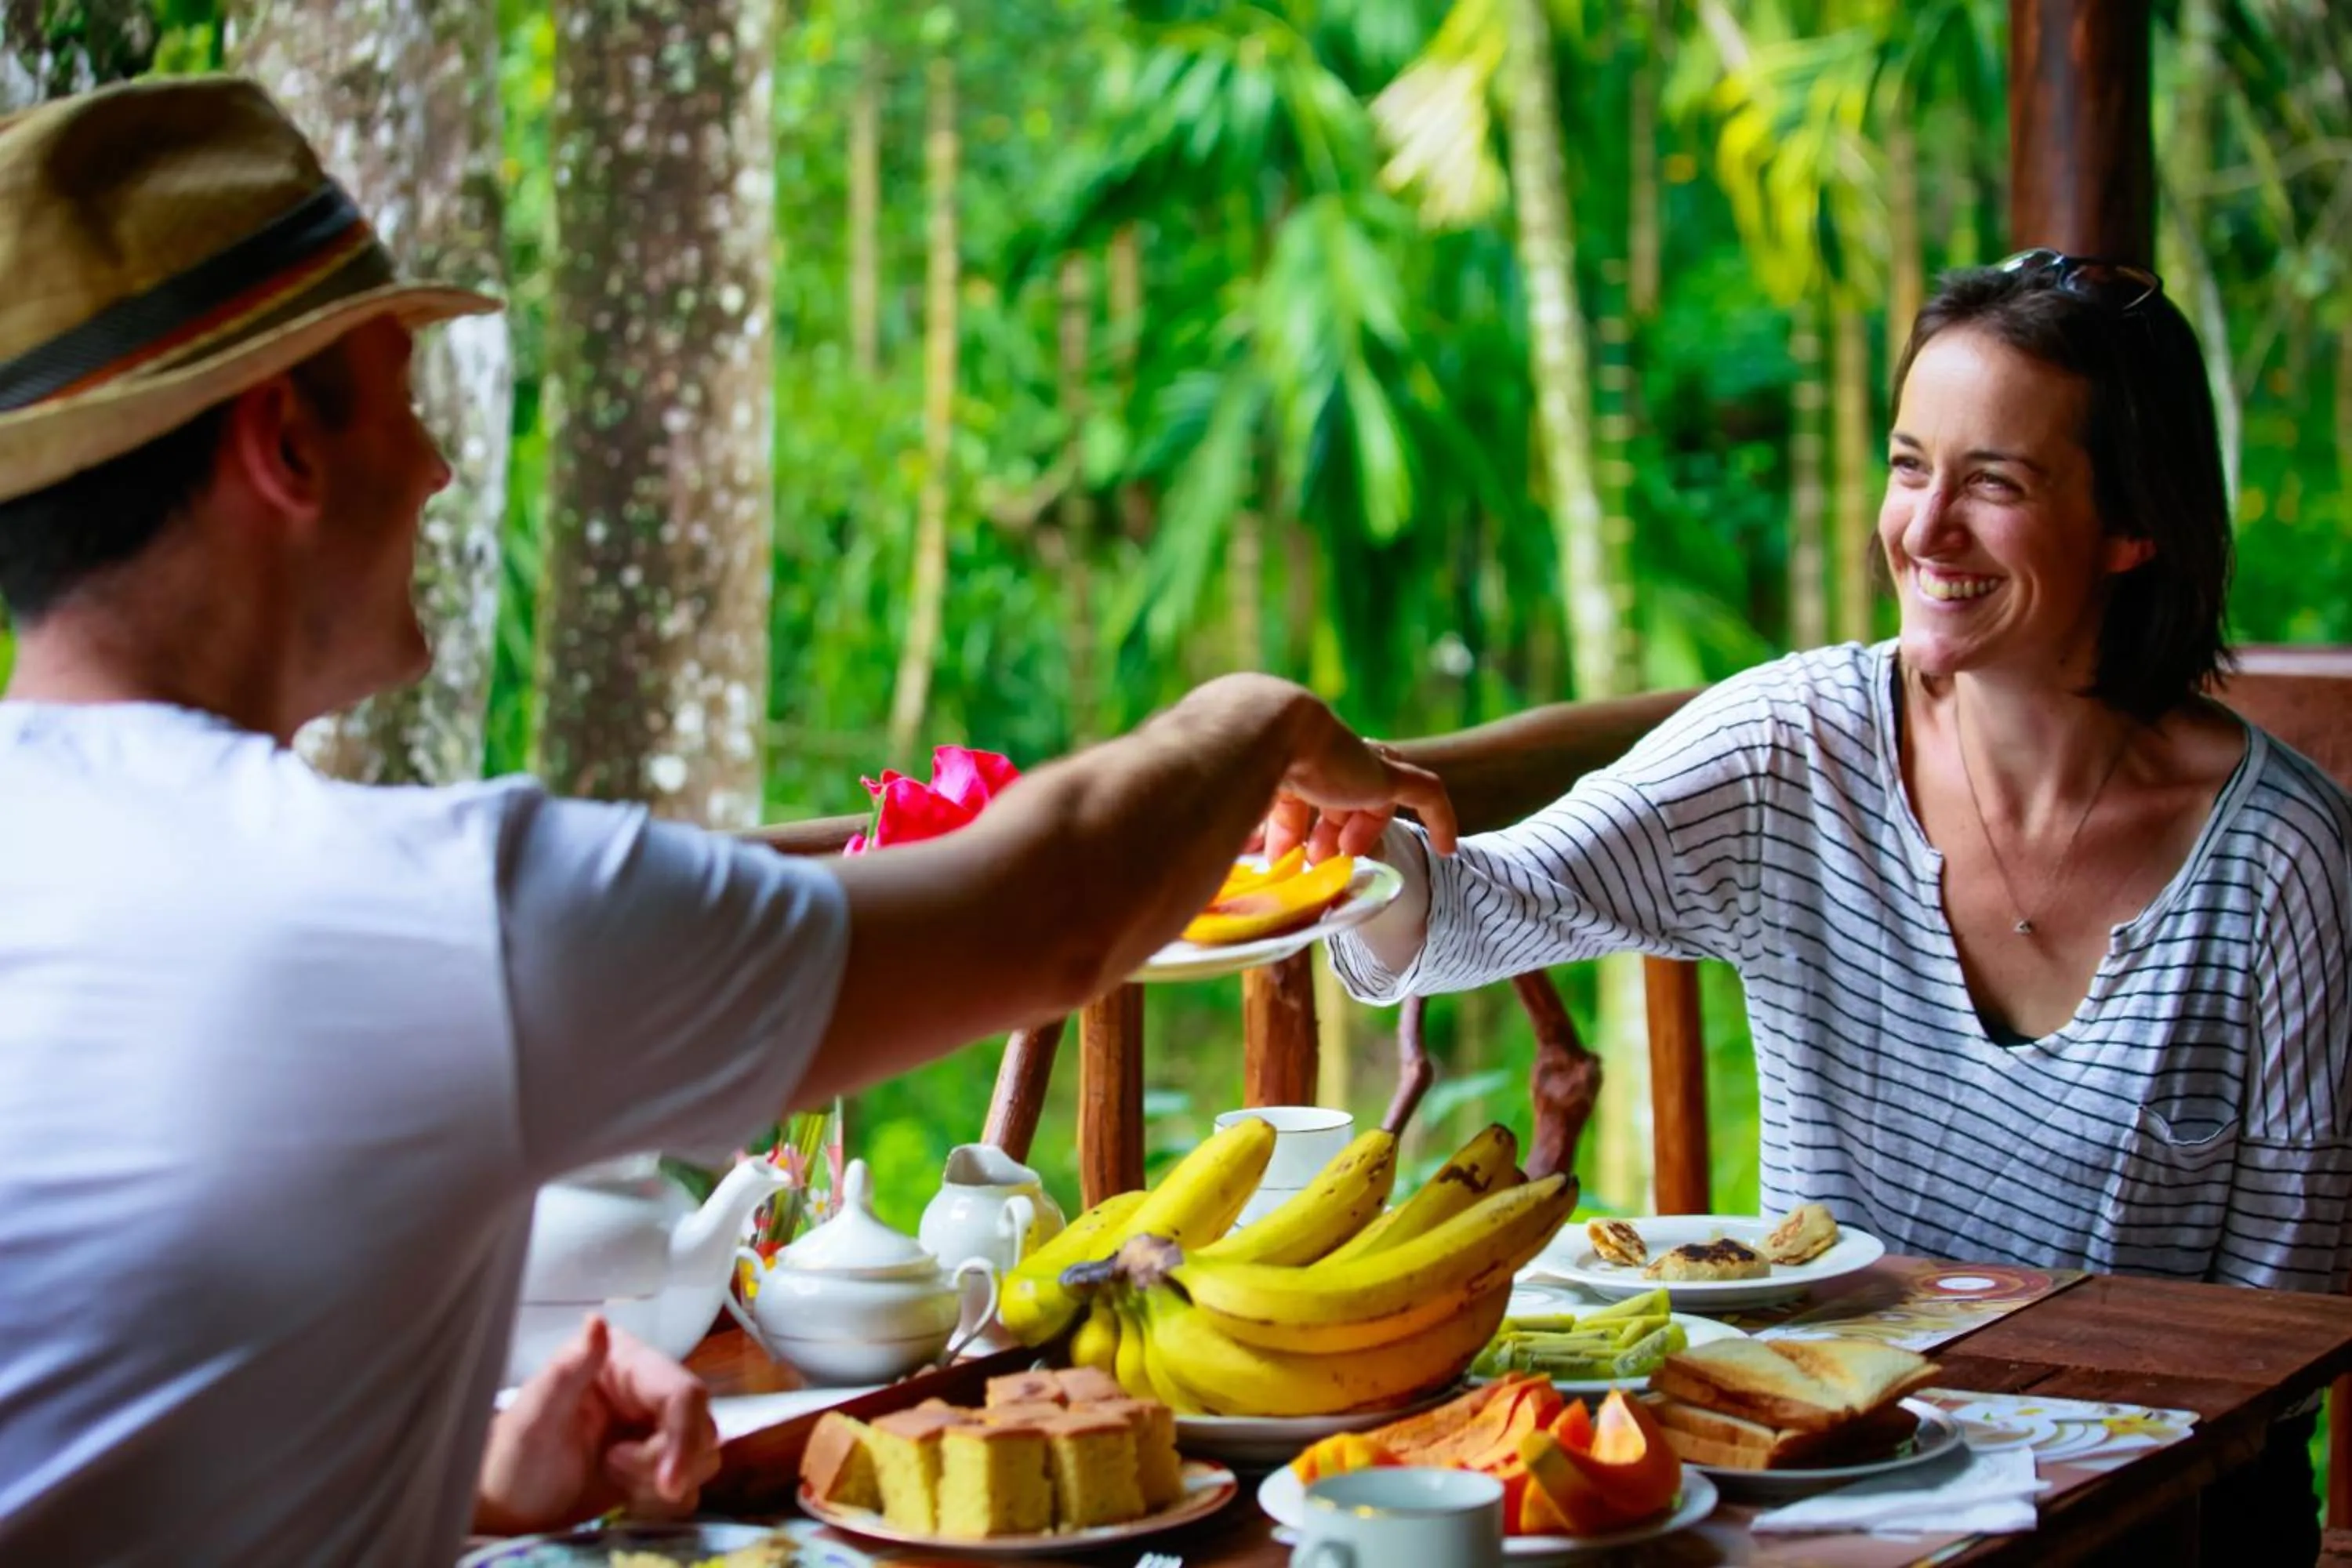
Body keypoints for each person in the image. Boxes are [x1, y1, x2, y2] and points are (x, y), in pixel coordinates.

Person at [0, 78, 1457, 1566]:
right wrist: (1260, 721)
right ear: (286, 446)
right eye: (403, 400)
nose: (436, 468)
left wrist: (462, 1481)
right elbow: (1055, 917)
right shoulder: (426, 916)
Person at [1294, 251, 2352, 1557]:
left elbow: (2278, 1335)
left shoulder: (2282, 861)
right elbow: (1478, 910)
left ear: (2134, 526)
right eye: (1910, 466)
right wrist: (1362, 843)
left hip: (2154, 1521)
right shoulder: (1793, 748)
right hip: (1825, 1490)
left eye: (1995, 483)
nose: (1924, 529)